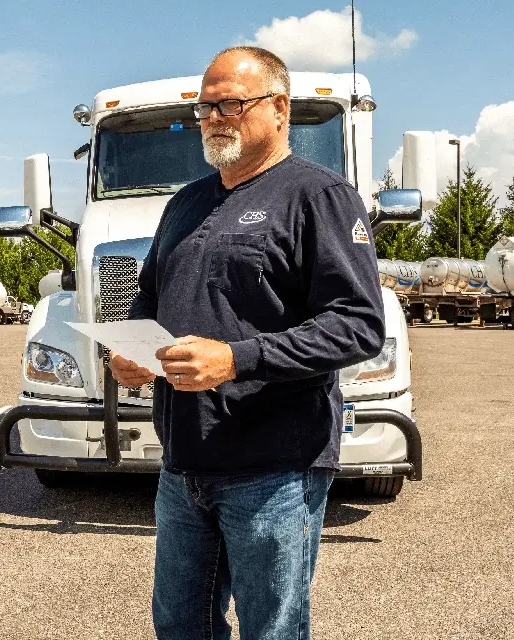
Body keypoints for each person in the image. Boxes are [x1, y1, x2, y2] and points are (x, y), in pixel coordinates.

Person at [110, 46, 385, 640]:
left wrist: (237, 359)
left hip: (275, 465)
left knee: (273, 629)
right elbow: (149, 298)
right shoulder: (185, 204)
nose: (213, 118)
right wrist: (130, 350)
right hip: (183, 461)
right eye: (205, 108)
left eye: (229, 103)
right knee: (181, 624)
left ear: (279, 107)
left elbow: (359, 324)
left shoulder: (319, 196)